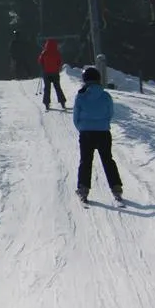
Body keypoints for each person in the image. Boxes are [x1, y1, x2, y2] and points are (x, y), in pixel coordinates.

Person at [73, 65, 124, 203]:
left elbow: (75, 117)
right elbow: (110, 113)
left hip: (86, 133)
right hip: (103, 133)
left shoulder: (81, 96)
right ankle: (116, 188)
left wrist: (82, 128)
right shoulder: (106, 96)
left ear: (85, 80)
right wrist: (103, 124)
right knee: (108, 159)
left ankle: (83, 189)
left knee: (86, 161)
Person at [38, 37, 66, 111]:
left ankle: (47, 103)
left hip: (46, 73)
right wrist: (57, 67)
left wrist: (43, 67)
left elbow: (40, 61)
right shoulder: (57, 52)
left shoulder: (44, 52)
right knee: (57, 87)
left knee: (47, 88)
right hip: (55, 73)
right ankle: (62, 102)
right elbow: (60, 62)